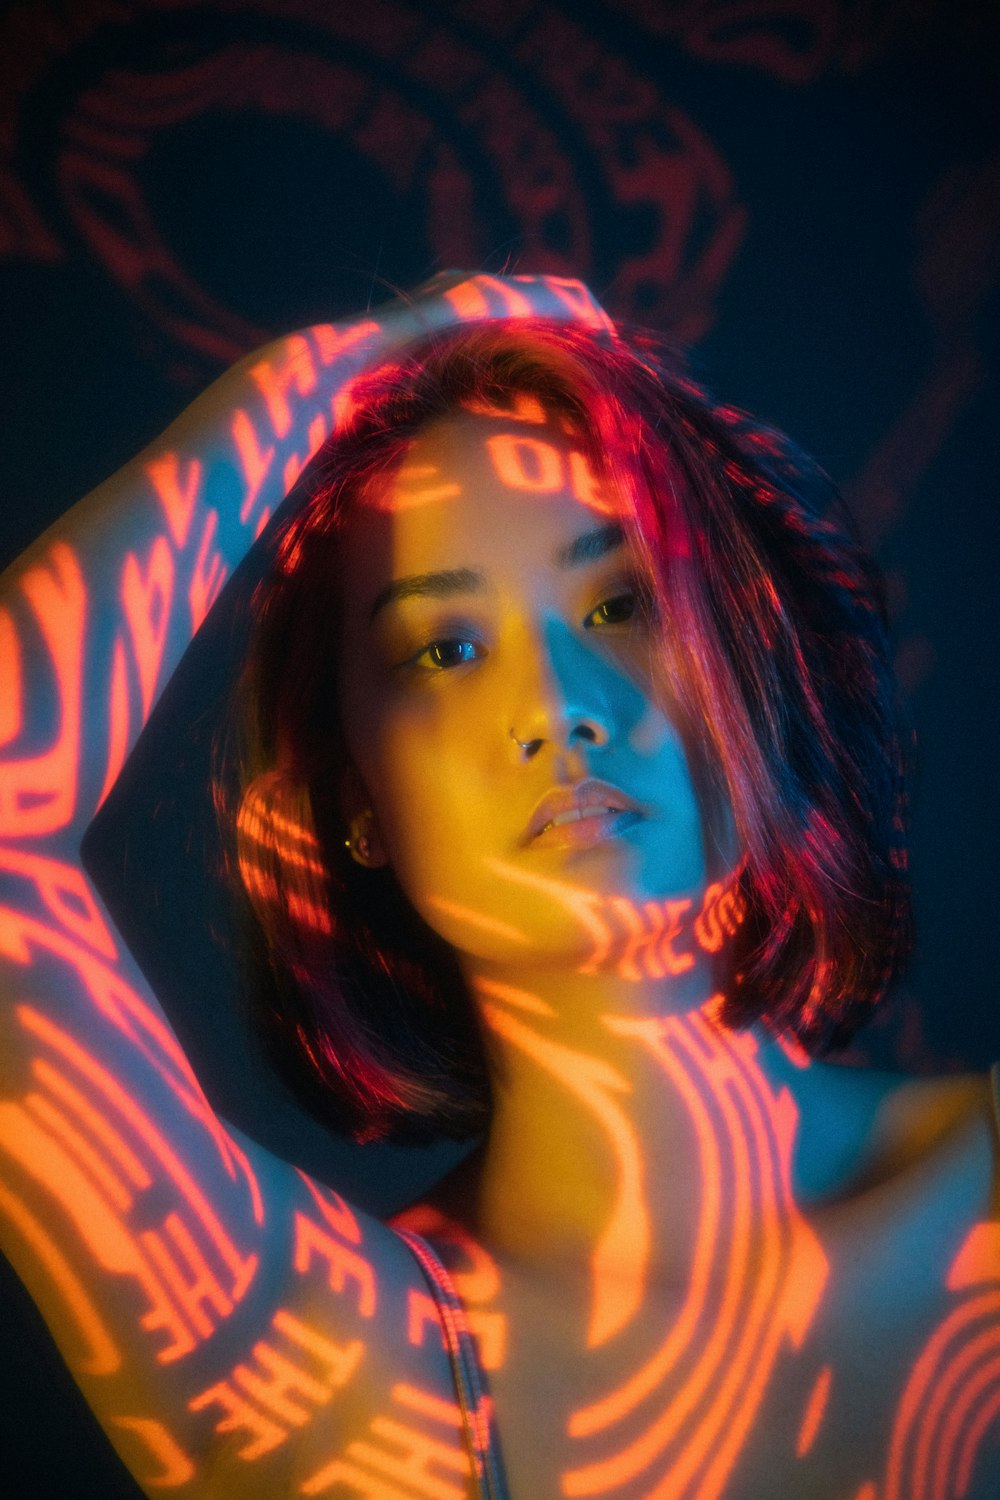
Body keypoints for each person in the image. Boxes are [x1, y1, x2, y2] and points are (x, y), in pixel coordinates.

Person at [0, 273, 997, 1499]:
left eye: (618, 601)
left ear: (749, 653)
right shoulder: (336, 1372)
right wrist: (334, 366)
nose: (555, 708)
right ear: (355, 795)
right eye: (446, 649)